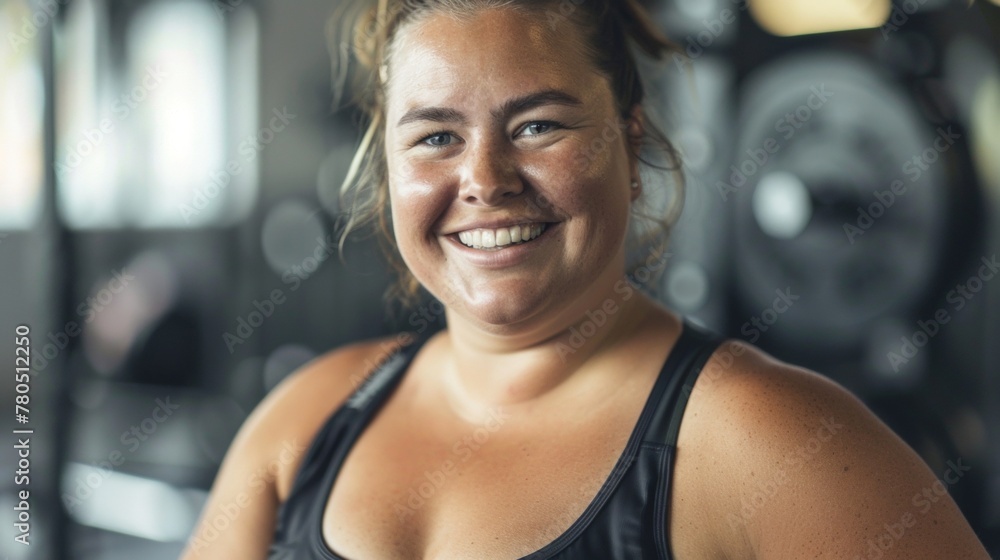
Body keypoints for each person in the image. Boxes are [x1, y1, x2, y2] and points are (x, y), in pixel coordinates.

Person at [180, 0, 991, 558]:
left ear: (630, 146)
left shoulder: (766, 440)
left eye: (538, 126)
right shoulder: (306, 422)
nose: (486, 180)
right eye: (434, 138)